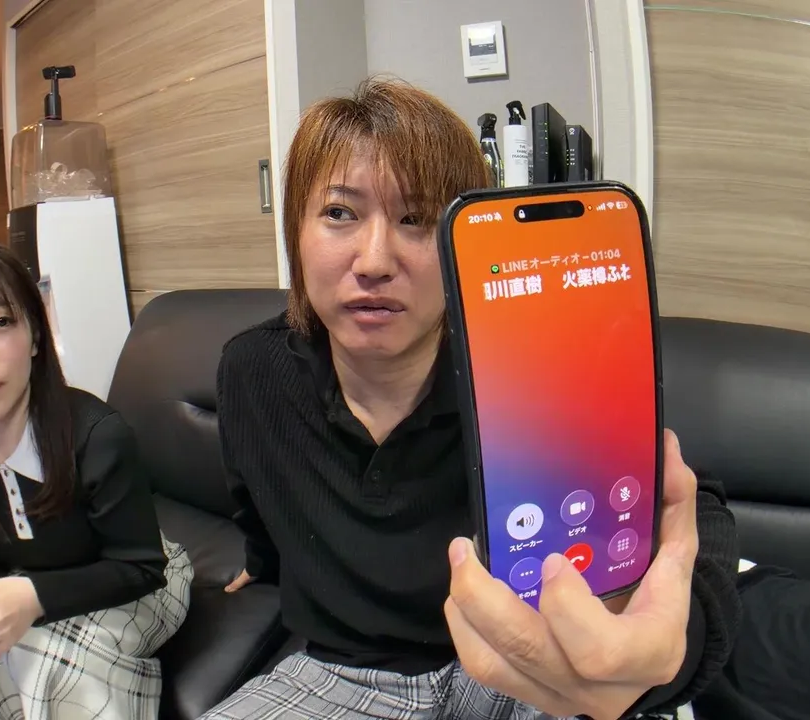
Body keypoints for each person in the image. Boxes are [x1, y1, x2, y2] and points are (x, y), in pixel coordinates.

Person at [204, 78, 740, 720]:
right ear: (296, 230)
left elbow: (684, 507)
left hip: (522, 662)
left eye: (416, 219)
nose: (373, 262)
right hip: (338, 673)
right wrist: (260, 566)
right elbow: (257, 504)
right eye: (340, 213)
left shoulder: (530, 366)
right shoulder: (251, 370)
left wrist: (677, 639)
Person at [0, 240, 193, 719]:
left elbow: (141, 568)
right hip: (29, 584)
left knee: (51, 665)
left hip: (140, 585)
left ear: (36, 337)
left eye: (0, 322)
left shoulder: (98, 436)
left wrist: (29, 599)